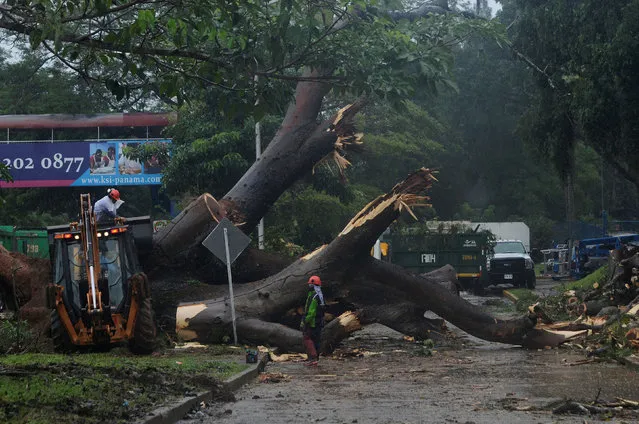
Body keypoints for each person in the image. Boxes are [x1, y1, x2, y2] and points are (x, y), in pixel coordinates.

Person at [300, 275, 325, 366]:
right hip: (319, 322)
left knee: (307, 339)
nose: (309, 286)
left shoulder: (314, 297)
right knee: (316, 340)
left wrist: (305, 321)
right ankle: (315, 359)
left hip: (312, 322)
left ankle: (313, 358)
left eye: (310, 284)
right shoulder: (319, 296)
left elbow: (311, 312)